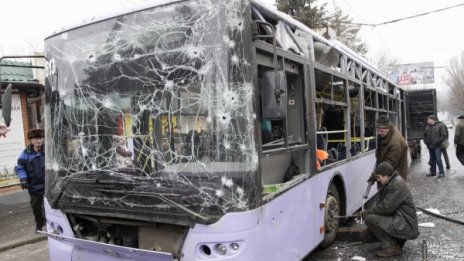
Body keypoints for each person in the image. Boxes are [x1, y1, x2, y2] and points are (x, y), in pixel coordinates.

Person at [360, 162, 419, 257]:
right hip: (400, 220)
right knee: (365, 236)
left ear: (386, 175)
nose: (378, 180)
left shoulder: (397, 184)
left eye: (379, 177)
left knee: (370, 219)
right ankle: (396, 241)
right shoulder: (391, 181)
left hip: (406, 224)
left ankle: (392, 247)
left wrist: (368, 212)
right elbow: (384, 206)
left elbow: (386, 208)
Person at [16, 128, 46, 232]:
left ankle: (51, 224)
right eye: (37, 139)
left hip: (48, 185)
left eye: (41, 138)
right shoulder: (25, 154)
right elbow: (20, 167)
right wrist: (23, 179)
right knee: (36, 208)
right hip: (34, 187)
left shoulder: (47, 151)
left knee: (50, 207)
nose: (39, 141)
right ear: (31, 140)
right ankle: (39, 225)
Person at [375, 115, 409, 180]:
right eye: (378, 130)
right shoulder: (386, 134)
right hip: (388, 175)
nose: (379, 133)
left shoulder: (395, 143)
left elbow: (389, 164)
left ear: (388, 128)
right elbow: (379, 151)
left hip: (396, 177)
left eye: (381, 131)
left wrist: (375, 176)